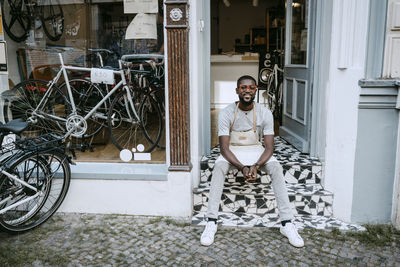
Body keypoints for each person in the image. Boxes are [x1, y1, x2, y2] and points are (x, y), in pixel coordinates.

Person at [200, 75, 304, 248]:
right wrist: (242, 167)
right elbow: (224, 149)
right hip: (233, 150)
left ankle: (286, 223)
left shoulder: (265, 113)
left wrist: (256, 165)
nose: (247, 90)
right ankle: (211, 220)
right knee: (218, 165)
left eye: (251, 87)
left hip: (255, 149)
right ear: (237, 90)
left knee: (276, 166)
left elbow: (269, 148)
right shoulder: (226, 112)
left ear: (256, 90)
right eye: (243, 87)